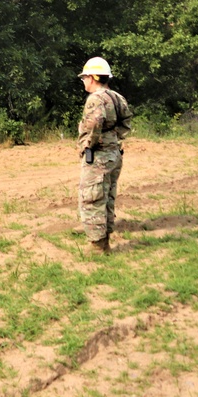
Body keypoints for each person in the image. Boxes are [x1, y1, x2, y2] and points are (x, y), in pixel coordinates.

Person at [76, 57, 132, 254]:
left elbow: (94, 124)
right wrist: (113, 138)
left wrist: (86, 144)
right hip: (114, 153)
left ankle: (97, 246)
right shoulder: (117, 97)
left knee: (92, 198)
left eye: (84, 77)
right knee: (107, 197)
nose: (83, 81)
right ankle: (105, 240)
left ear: (92, 78)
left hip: (98, 156)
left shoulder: (95, 99)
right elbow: (126, 123)